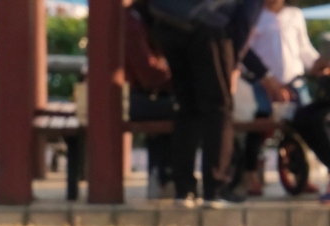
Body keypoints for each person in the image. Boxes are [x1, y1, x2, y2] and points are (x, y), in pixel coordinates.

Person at [151, 0, 265, 206]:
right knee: (219, 109)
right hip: (210, 28)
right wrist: (233, 63)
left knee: (187, 108)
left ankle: (183, 189)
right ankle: (215, 189)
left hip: (169, 22)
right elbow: (245, 21)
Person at [240, 0, 330, 199]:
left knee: (307, 124)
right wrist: (268, 80)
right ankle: (251, 173)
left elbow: (303, 48)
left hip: (294, 81)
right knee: (261, 124)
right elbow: (246, 50)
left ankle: (301, 174)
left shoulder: (294, 15)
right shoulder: (253, 14)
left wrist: (317, 63)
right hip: (264, 83)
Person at [125, 0, 174, 198]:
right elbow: (149, 74)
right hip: (130, 100)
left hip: (134, 97)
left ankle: (160, 176)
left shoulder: (133, 20)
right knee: (182, 110)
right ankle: (165, 177)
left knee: (169, 110)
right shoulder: (132, 25)